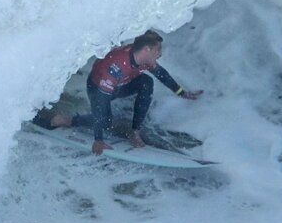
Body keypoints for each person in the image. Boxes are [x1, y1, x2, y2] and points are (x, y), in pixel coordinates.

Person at [37, 30, 202, 154]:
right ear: (147, 50)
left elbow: (162, 74)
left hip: (120, 85)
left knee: (146, 82)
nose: (160, 53)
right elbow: (100, 104)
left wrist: (182, 93)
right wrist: (98, 140)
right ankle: (64, 121)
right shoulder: (114, 69)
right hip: (98, 88)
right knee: (106, 121)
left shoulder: (142, 57)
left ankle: (134, 131)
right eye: (158, 50)